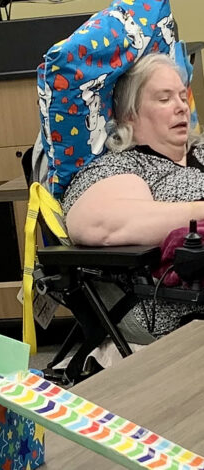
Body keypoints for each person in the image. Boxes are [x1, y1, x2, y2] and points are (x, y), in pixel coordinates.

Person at [63, 53, 204, 340]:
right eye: (164, 99)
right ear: (129, 114)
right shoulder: (123, 166)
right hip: (171, 306)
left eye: (181, 96)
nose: (180, 108)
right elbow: (98, 223)